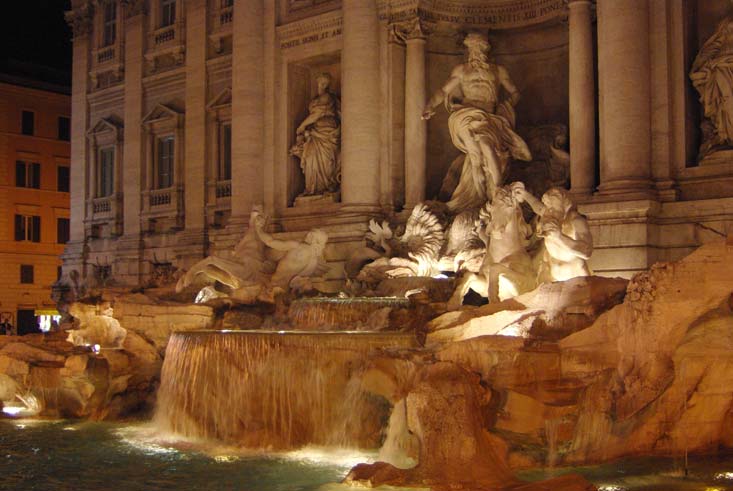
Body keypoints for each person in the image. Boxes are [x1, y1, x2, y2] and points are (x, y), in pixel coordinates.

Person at [422, 32, 531, 212]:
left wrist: (507, 105)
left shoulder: (498, 71)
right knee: (476, 153)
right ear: (468, 50)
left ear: (486, 49)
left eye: (479, 47)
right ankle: (482, 192)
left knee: (486, 147)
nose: (476, 51)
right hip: (466, 114)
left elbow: (515, 93)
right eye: (472, 47)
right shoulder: (461, 70)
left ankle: (496, 192)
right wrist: (430, 105)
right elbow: (443, 91)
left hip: (489, 117)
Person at [513, 186, 592, 283]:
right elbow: (538, 207)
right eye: (548, 206)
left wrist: (559, 237)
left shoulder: (576, 221)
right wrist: (525, 195)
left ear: (565, 205)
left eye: (553, 207)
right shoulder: (550, 215)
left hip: (574, 273)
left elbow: (586, 251)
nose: (549, 211)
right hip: (550, 271)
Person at [290, 72, 341, 196]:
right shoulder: (315, 100)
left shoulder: (327, 97)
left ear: (327, 85)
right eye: (321, 82)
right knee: (311, 157)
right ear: (318, 82)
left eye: (325, 83)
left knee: (326, 160)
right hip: (315, 131)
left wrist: (302, 126)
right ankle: (313, 188)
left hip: (327, 130)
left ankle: (327, 185)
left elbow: (317, 114)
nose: (322, 84)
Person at [690, 12, 733, 159]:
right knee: (727, 102)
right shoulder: (727, 22)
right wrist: (705, 63)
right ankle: (726, 135)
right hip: (722, 67)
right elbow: (715, 43)